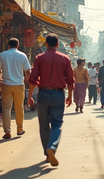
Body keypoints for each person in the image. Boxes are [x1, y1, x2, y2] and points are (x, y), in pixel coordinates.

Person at [28, 34, 74, 166]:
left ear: (46, 44)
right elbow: (70, 79)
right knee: (57, 123)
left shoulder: (39, 58)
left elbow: (33, 79)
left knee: (43, 125)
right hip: (58, 94)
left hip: (43, 93)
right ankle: (52, 147)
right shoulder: (65, 58)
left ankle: (47, 153)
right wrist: (70, 95)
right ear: (58, 44)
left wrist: (30, 96)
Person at [0, 37, 31, 139]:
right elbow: (28, 71)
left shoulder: (2, 55)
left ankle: (7, 131)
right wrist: (27, 80)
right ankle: (20, 129)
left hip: (6, 84)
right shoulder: (22, 55)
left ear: (8, 45)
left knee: (6, 108)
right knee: (19, 107)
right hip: (19, 85)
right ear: (18, 45)